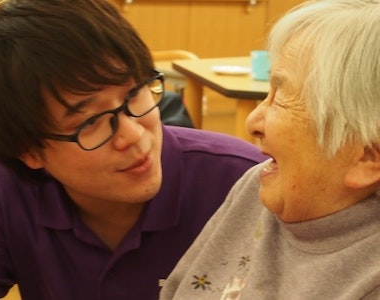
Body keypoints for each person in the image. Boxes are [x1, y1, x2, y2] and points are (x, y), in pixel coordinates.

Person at [0, 0, 266, 299]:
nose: (132, 134)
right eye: (90, 122)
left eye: (133, 93)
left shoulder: (242, 182)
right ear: (29, 151)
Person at [160, 0, 380, 299]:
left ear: (367, 157)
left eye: (281, 98)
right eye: (269, 91)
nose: (253, 122)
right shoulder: (260, 186)